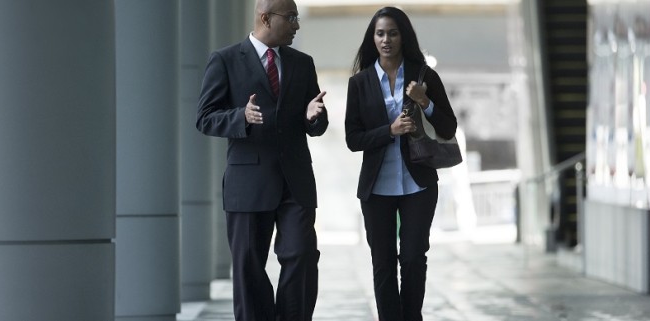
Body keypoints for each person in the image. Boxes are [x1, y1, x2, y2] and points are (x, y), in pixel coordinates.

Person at [195, 0, 328, 320]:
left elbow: (317, 123)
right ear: (266, 18)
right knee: (248, 266)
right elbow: (205, 118)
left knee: (302, 256)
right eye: (291, 17)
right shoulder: (224, 60)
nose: (297, 24)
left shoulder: (302, 63)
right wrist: (240, 117)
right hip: (248, 182)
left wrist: (312, 117)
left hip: (295, 181)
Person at [344, 6, 457, 321]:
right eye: (380, 33)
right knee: (382, 263)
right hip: (376, 188)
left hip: (418, 183)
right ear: (373, 38)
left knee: (412, 258)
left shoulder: (424, 77)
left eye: (392, 33)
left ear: (403, 36)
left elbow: (449, 127)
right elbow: (353, 139)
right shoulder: (360, 83)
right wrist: (388, 131)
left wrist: (425, 101)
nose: (386, 40)